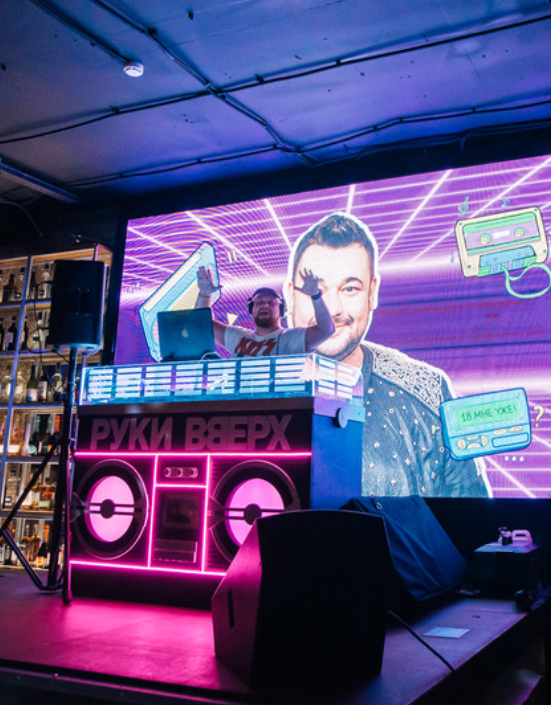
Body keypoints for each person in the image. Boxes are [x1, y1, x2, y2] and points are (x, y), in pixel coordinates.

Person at [283, 212, 490, 498]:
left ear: (372, 293)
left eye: (350, 288)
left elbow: (474, 516)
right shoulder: (235, 389)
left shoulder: (429, 392)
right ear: (289, 295)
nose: (332, 310)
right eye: (314, 291)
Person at [196, 266, 335, 357]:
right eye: (260, 302)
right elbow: (202, 326)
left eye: (271, 302)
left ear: (282, 310)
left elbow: (326, 330)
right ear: (251, 309)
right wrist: (205, 295)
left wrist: (316, 296)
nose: (265, 305)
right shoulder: (237, 336)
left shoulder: (292, 337)